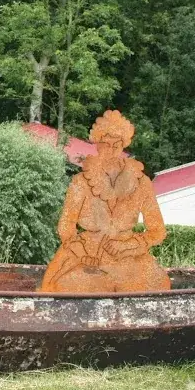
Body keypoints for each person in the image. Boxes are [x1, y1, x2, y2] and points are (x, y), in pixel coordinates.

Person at [39, 111, 170, 293]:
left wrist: (128, 246)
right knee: (71, 286)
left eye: (117, 144)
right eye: (105, 144)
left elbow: (157, 230)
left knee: (151, 285)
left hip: (128, 257)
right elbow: (66, 225)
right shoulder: (81, 181)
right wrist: (82, 253)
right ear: (97, 144)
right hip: (86, 255)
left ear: (124, 144)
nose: (111, 150)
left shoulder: (141, 182)